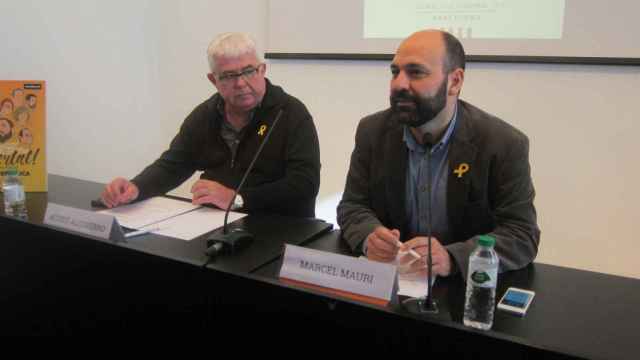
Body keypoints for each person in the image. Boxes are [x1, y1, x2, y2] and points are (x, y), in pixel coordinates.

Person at [337, 30, 540, 278]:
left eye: (416, 72)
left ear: (455, 82)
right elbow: (353, 205)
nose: (399, 84)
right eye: (395, 72)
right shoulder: (373, 131)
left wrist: (453, 257)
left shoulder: (503, 144)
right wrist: (370, 236)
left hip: (462, 291)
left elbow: (521, 234)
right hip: (393, 282)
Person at [101, 32, 320, 217]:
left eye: (248, 71)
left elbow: (305, 184)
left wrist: (237, 199)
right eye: (228, 76)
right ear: (213, 80)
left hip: (279, 225)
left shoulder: (291, 114)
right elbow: (173, 164)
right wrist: (136, 187)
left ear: (262, 70)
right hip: (214, 224)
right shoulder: (205, 115)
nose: (241, 83)